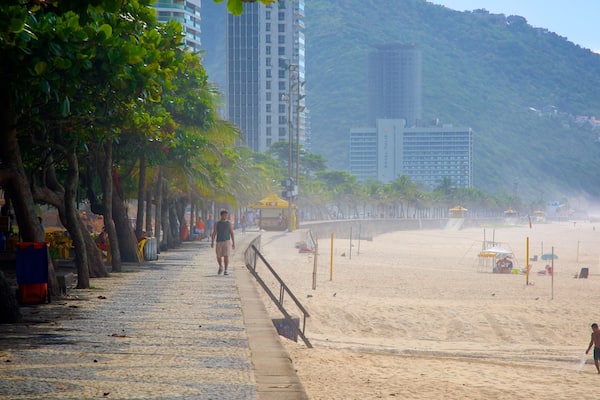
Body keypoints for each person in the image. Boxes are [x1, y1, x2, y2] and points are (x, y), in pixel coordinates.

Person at [211, 210, 235, 275]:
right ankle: (220, 266)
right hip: (219, 241)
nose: (225, 216)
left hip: (226, 241)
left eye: (226, 215)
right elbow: (214, 232)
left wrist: (233, 243)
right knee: (218, 256)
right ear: (221, 215)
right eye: (224, 215)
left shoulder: (229, 223)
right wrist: (212, 242)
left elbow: (232, 233)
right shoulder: (217, 223)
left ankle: (226, 270)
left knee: (226, 256)